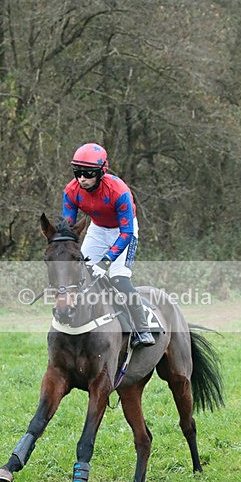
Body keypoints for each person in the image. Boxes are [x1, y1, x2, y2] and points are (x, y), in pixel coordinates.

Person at [62, 142, 155, 348]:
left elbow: (127, 233)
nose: (81, 179)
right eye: (77, 172)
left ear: (101, 171)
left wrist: (105, 262)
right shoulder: (71, 190)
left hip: (124, 231)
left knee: (118, 278)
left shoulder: (118, 191)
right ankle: (77, 321)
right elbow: (68, 229)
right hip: (97, 230)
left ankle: (143, 328)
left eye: (87, 173)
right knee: (81, 274)